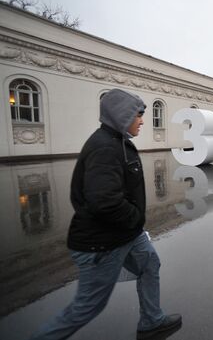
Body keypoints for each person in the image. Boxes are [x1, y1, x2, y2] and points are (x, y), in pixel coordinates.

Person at [30, 89, 181, 340]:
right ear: (122, 115)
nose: (143, 120)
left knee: (150, 263)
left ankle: (152, 322)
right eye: (138, 115)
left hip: (126, 234)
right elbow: (104, 202)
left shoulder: (116, 141)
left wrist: (134, 225)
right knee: (86, 308)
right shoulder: (105, 148)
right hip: (102, 243)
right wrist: (135, 218)